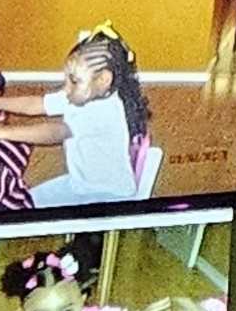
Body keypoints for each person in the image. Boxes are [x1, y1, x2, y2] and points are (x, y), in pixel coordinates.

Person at [31, 27, 158, 208]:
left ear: (103, 79)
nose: (65, 89)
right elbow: (39, 104)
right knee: (28, 200)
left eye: (74, 80)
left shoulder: (99, 112)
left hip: (105, 196)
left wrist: (2, 131)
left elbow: (53, 132)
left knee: (26, 206)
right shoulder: (89, 92)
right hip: (84, 183)